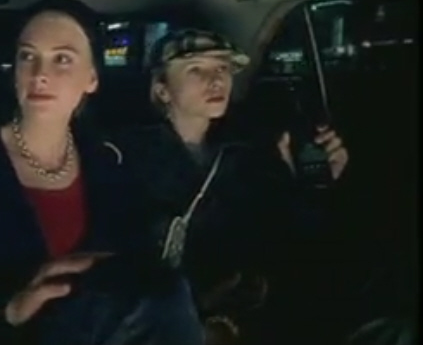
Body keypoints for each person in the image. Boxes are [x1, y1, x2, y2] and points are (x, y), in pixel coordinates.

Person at [0, 0, 203, 345]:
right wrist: (7, 311)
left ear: (91, 78)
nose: (40, 74)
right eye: (28, 57)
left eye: (62, 59)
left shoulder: (110, 161)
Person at [111, 28, 350, 343]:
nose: (216, 80)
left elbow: (287, 242)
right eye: (196, 70)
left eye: (223, 68)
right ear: (162, 90)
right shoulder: (124, 155)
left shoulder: (244, 153)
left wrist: (313, 182)